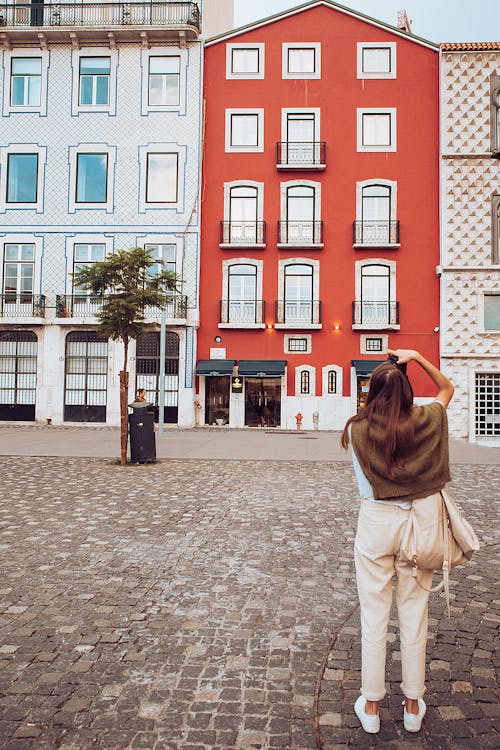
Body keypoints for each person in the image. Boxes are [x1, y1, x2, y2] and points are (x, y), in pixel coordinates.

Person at [341, 349, 454, 734]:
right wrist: (418, 357)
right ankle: (411, 705)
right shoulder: (428, 420)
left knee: (374, 617)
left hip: (374, 524)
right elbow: (447, 388)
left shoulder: (356, 428)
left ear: (370, 392)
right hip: (417, 527)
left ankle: (370, 707)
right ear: (408, 392)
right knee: (413, 616)